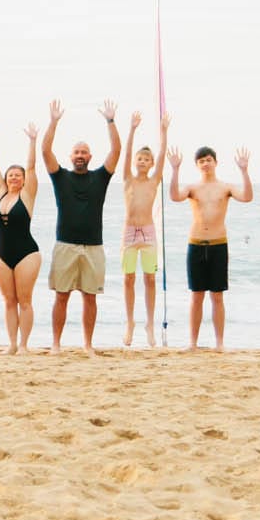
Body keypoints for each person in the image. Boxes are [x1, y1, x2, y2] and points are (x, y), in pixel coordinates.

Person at [43, 99, 123, 355]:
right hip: (65, 244)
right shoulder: (60, 177)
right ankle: (56, 344)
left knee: (90, 297)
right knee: (62, 296)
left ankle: (88, 344)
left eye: (84, 152)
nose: (80, 155)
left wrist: (111, 121)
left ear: (90, 157)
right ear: (71, 157)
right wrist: (54, 121)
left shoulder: (100, 177)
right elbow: (45, 151)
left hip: (93, 246)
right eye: (76, 152)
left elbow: (117, 151)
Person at [170, 141, 254, 350]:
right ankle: (193, 343)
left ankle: (219, 343)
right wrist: (175, 170)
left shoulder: (225, 187)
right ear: (197, 165)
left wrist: (244, 171)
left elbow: (247, 197)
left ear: (215, 162)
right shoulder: (192, 188)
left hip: (218, 244)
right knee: (196, 296)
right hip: (196, 244)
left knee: (217, 296)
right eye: (201, 161)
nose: (205, 163)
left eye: (208, 160)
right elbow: (174, 196)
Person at [0, 126, 42, 354]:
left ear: (23, 180)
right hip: (1, 255)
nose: (14, 177)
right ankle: (11, 344)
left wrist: (32, 141)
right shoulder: (0, 193)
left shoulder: (27, 195)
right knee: (9, 301)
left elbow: (31, 167)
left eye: (18, 175)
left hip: (26, 254)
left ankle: (23, 345)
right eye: (10, 174)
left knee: (25, 300)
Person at [120, 111, 170, 348]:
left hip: (148, 233)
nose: (142, 161)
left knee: (149, 279)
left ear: (150, 165)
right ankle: (130, 322)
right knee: (128, 279)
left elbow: (162, 157)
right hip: (129, 233)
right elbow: (126, 153)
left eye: (146, 160)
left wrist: (164, 132)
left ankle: (149, 324)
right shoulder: (128, 179)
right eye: (139, 159)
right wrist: (131, 129)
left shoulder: (154, 180)